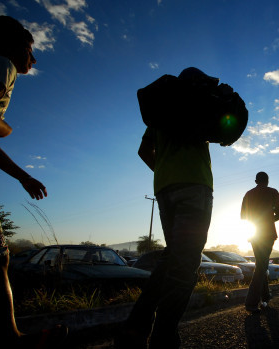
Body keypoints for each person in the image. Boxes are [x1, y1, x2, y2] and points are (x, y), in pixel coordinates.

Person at [0, 15, 66, 348]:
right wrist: (3, 127)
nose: (33, 60)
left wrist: (23, 176)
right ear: (11, 46)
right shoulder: (0, 63)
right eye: (29, 50)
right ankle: (10, 340)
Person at [117, 67, 216, 349]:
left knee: (173, 258)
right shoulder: (199, 106)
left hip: (165, 189)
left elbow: (143, 151)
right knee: (186, 264)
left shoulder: (159, 113)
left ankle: (135, 328)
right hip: (195, 187)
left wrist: (163, 170)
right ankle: (164, 336)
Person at [240, 171, 279, 313]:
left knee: (261, 263)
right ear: (267, 180)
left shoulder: (248, 194)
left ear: (255, 181)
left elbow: (243, 216)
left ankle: (265, 298)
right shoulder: (273, 192)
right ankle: (251, 303)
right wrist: (269, 220)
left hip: (254, 234)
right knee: (261, 265)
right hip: (268, 233)